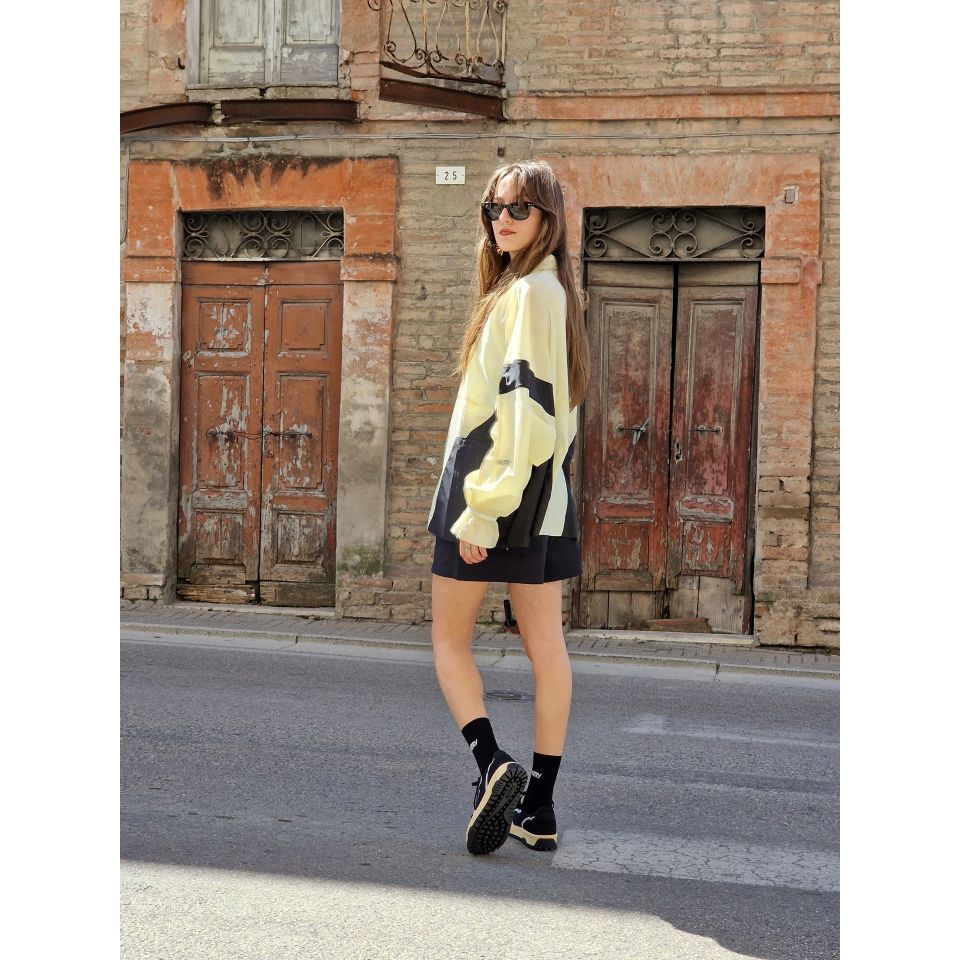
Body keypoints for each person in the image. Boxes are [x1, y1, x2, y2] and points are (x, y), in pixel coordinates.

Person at [427, 159, 591, 856]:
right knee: (546, 648)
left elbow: (525, 408)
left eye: (519, 209)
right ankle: (539, 809)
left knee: (448, 642)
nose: (503, 220)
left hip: (493, 484)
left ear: (547, 218)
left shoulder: (528, 293)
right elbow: (554, 415)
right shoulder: (550, 292)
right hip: (542, 492)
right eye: (494, 208)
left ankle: (492, 763)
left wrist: (483, 508)